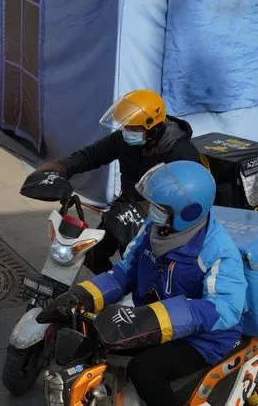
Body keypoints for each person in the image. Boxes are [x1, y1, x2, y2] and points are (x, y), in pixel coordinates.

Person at [37, 161, 247, 406]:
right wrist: (83, 295)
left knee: (144, 370)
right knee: (96, 339)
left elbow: (224, 308)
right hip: (153, 319)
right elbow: (125, 271)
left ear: (188, 212)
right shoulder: (155, 228)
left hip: (202, 339)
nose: (149, 210)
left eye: (158, 207)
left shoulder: (218, 250)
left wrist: (151, 319)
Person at [34, 90, 203, 274]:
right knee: (92, 255)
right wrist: (61, 167)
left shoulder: (181, 153)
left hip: (159, 220)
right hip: (125, 208)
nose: (127, 131)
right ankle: (114, 286)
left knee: (136, 266)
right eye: (125, 126)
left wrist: (147, 208)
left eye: (133, 128)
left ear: (153, 128)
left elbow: (192, 197)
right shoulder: (125, 140)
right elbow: (91, 155)